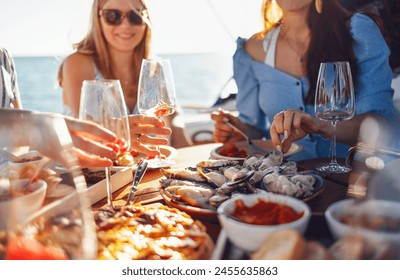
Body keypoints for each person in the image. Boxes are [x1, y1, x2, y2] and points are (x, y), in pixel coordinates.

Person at [211, 0, 397, 160]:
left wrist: (320, 125)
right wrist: (237, 131)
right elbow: (254, 130)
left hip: (348, 178)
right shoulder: (250, 50)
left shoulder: (359, 32)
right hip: (283, 179)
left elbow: (380, 124)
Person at [58, 0, 193, 149]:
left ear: (145, 19)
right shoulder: (77, 63)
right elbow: (86, 131)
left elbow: (173, 122)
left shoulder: (154, 69)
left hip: (144, 169)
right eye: (113, 16)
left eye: (135, 16)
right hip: (97, 169)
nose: (125, 25)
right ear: (98, 19)